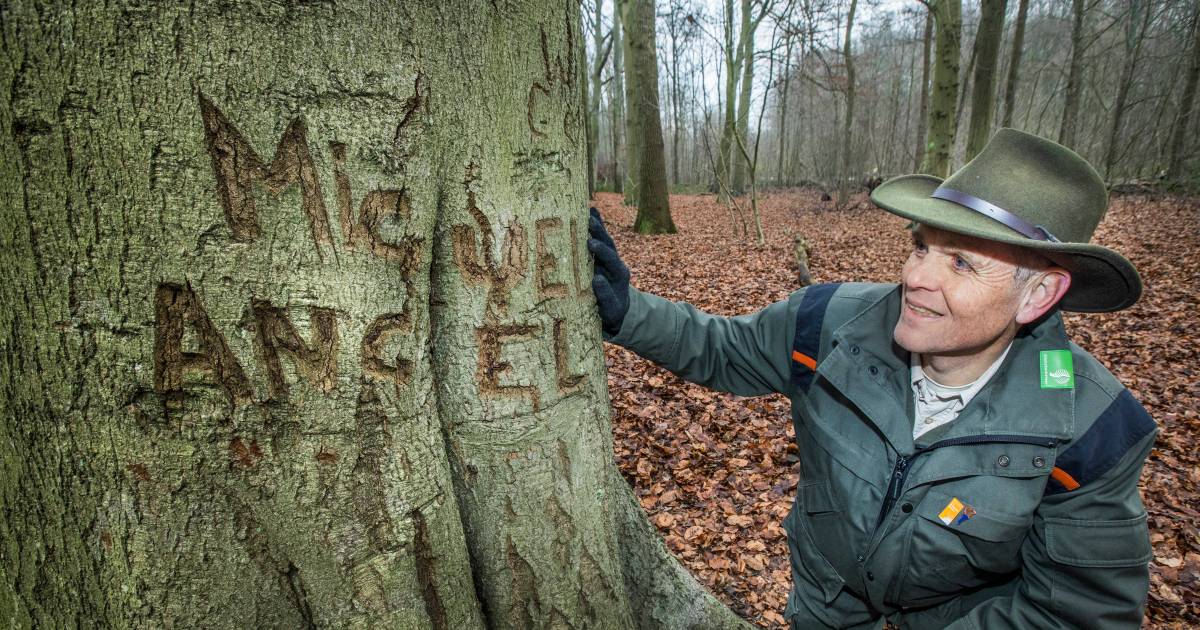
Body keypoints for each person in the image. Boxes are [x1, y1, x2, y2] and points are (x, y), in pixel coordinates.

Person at [588, 129, 1156, 629]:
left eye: (961, 262)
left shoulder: (1089, 429)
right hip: (827, 603)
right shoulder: (826, 325)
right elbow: (722, 347)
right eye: (921, 247)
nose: (916, 277)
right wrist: (628, 312)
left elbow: (1076, 610)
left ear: (1039, 294)